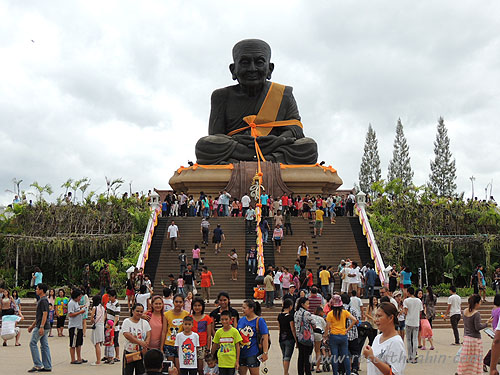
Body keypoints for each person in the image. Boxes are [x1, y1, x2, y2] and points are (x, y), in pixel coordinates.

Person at [362, 302, 406, 375]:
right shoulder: (377, 338)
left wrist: (372, 358)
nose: (376, 320)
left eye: (379, 316)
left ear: (391, 318)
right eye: (375, 316)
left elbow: (394, 373)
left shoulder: (396, 342)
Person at [457, 294, 493, 375]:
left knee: (467, 360)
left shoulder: (465, 311)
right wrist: (487, 323)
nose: (480, 304)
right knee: (475, 360)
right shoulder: (476, 314)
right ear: (476, 303)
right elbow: (478, 327)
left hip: (466, 339)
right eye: (480, 302)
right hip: (475, 340)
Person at [325, 294, 358, 375]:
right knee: (345, 355)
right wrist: (347, 329)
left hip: (334, 336)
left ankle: (335, 373)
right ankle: (348, 372)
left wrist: (325, 336)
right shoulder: (344, 312)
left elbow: (327, 327)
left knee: (334, 356)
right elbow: (354, 320)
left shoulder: (330, 314)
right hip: (343, 335)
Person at [237, 299, 269, 375]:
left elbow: (265, 337)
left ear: (251, 309)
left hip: (253, 353)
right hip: (241, 353)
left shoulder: (259, 320)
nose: (242, 310)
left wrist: (265, 353)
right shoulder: (241, 320)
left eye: (244, 308)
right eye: (242, 307)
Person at [28, 283, 52, 373]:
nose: (36, 290)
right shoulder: (42, 300)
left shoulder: (43, 300)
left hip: (42, 326)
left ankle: (37, 364)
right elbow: (39, 316)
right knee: (44, 345)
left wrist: (41, 326)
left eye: (37, 289)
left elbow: (45, 314)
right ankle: (47, 366)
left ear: (42, 290)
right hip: (42, 325)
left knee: (33, 343)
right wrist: (32, 326)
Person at [122, 303, 152, 375]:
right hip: (129, 352)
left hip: (141, 353)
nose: (139, 313)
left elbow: (148, 334)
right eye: (137, 311)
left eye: (141, 312)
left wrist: (146, 344)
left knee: (141, 372)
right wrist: (140, 342)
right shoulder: (127, 321)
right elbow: (127, 335)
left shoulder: (145, 323)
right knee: (127, 372)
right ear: (133, 311)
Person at [212, 310, 242, 375]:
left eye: (226, 319)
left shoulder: (235, 332)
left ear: (230, 320)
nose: (224, 321)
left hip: (231, 361)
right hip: (222, 361)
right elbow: (215, 345)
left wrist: (237, 361)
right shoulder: (218, 332)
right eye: (222, 319)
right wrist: (212, 355)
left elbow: (237, 347)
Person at [164, 294, 190, 368]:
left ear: (183, 303)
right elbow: (164, 331)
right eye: (176, 301)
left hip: (181, 344)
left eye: (180, 302)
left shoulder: (186, 314)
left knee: (179, 368)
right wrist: (161, 346)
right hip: (169, 344)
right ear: (173, 302)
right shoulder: (166, 314)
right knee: (171, 368)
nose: (178, 304)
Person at [191, 298, 214, 374]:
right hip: (191, 346)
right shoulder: (189, 318)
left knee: (201, 368)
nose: (197, 307)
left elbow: (209, 334)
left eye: (199, 305)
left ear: (202, 306)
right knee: (192, 367)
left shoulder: (207, 318)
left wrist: (208, 348)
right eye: (195, 305)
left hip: (202, 345)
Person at [295, 297, 315, 375]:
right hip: (306, 336)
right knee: (306, 356)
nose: (308, 305)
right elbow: (313, 323)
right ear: (302, 304)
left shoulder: (296, 312)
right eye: (307, 304)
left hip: (299, 336)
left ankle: (300, 372)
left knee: (301, 356)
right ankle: (307, 372)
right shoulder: (306, 313)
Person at [403, 287, 423, 364]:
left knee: (408, 340)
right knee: (415, 339)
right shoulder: (418, 301)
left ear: (408, 292)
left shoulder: (406, 301)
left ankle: (410, 356)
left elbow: (405, 312)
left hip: (408, 321)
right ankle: (414, 357)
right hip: (416, 322)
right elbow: (421, 311)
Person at [278, 298, 296, 375]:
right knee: (287, 356)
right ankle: (285, 372)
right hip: (289, 338)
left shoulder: (279, 315)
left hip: (281, 338)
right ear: (290, 306)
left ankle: (286, 371)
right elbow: (293, 329)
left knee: (284, 355)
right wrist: (296, 339)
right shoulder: (290, 317)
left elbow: (279, 328)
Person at [106, 288, 121, 362]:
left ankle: (117, 356)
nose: (109, 298)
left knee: (115, 341)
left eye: (110, 296)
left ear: (114, 296)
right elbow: (106, 313)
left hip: (115, 326)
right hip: (108, 325)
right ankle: (108, 355)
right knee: (108, 340)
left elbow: (117, 317)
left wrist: (114, 325)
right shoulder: (108, 303)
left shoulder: (117, 305)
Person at [90, 294, 106, 365]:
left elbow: (91, 319)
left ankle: (98, 361)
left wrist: (94, 321)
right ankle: (98, 359)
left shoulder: (94, 308)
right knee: (98, 343)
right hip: (101, 325)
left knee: (96, 344)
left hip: (96, 326)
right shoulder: (102, 308)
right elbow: (105, 317)